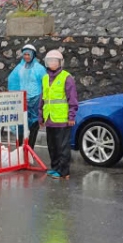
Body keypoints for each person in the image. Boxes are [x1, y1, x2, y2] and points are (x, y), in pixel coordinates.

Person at [41, 49, 78, 180]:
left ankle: (64, 171)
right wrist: (41, 117)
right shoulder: (45, 78)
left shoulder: (66, 77)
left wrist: (71, 116)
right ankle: (55, 167)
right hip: (50, 118)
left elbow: (72, 98)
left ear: (60, 62)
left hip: (62, 119)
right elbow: (43, 99)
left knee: (62, 147)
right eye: (49, 60)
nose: (52, 63)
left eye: (54, 61)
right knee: (52, 146)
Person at [8, 43, 46, 147]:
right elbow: (12, 82)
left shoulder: (40, 69)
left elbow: (45, 84)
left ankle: (30, 151)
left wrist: (42, 99)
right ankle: (20, 151)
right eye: (25, 54)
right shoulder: (19, 68)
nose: (26, 57)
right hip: (21, 102)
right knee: (20, 126)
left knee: (34, 126)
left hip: (35, 102)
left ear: (33, 55)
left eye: (28, 54)